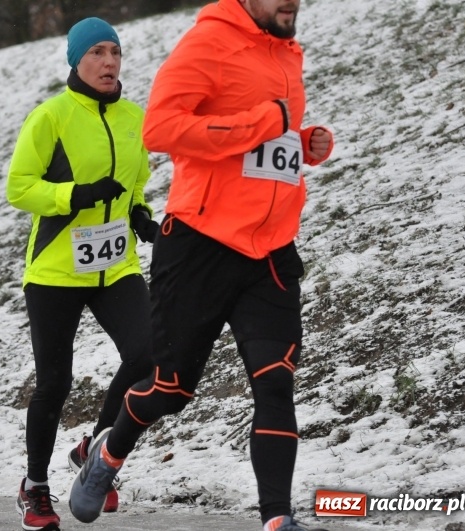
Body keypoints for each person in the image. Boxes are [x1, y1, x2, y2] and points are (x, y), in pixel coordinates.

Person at [69, 1, 335, 531]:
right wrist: (265, 123)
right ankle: (109, 452)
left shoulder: (287, 52)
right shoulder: (209, 42)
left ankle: (277, 518)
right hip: (200, 245)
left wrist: (302, 144)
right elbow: (162, 129)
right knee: (171, 390)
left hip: (271, 252)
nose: (291, 2)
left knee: (276, 384)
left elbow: (264, 145)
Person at [6, 16, 159, 531]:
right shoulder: (50, 117)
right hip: (55, 269)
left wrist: (139, 215)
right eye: (96, 52)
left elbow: (135, 181)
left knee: (149, 355)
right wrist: (74, 195)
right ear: (75, 60)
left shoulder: (135, 117)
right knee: (54, 381)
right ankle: (35, 486)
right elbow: (19, 188)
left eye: (115, 52)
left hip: (114, 264)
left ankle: (95, 452)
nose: (110, 62)